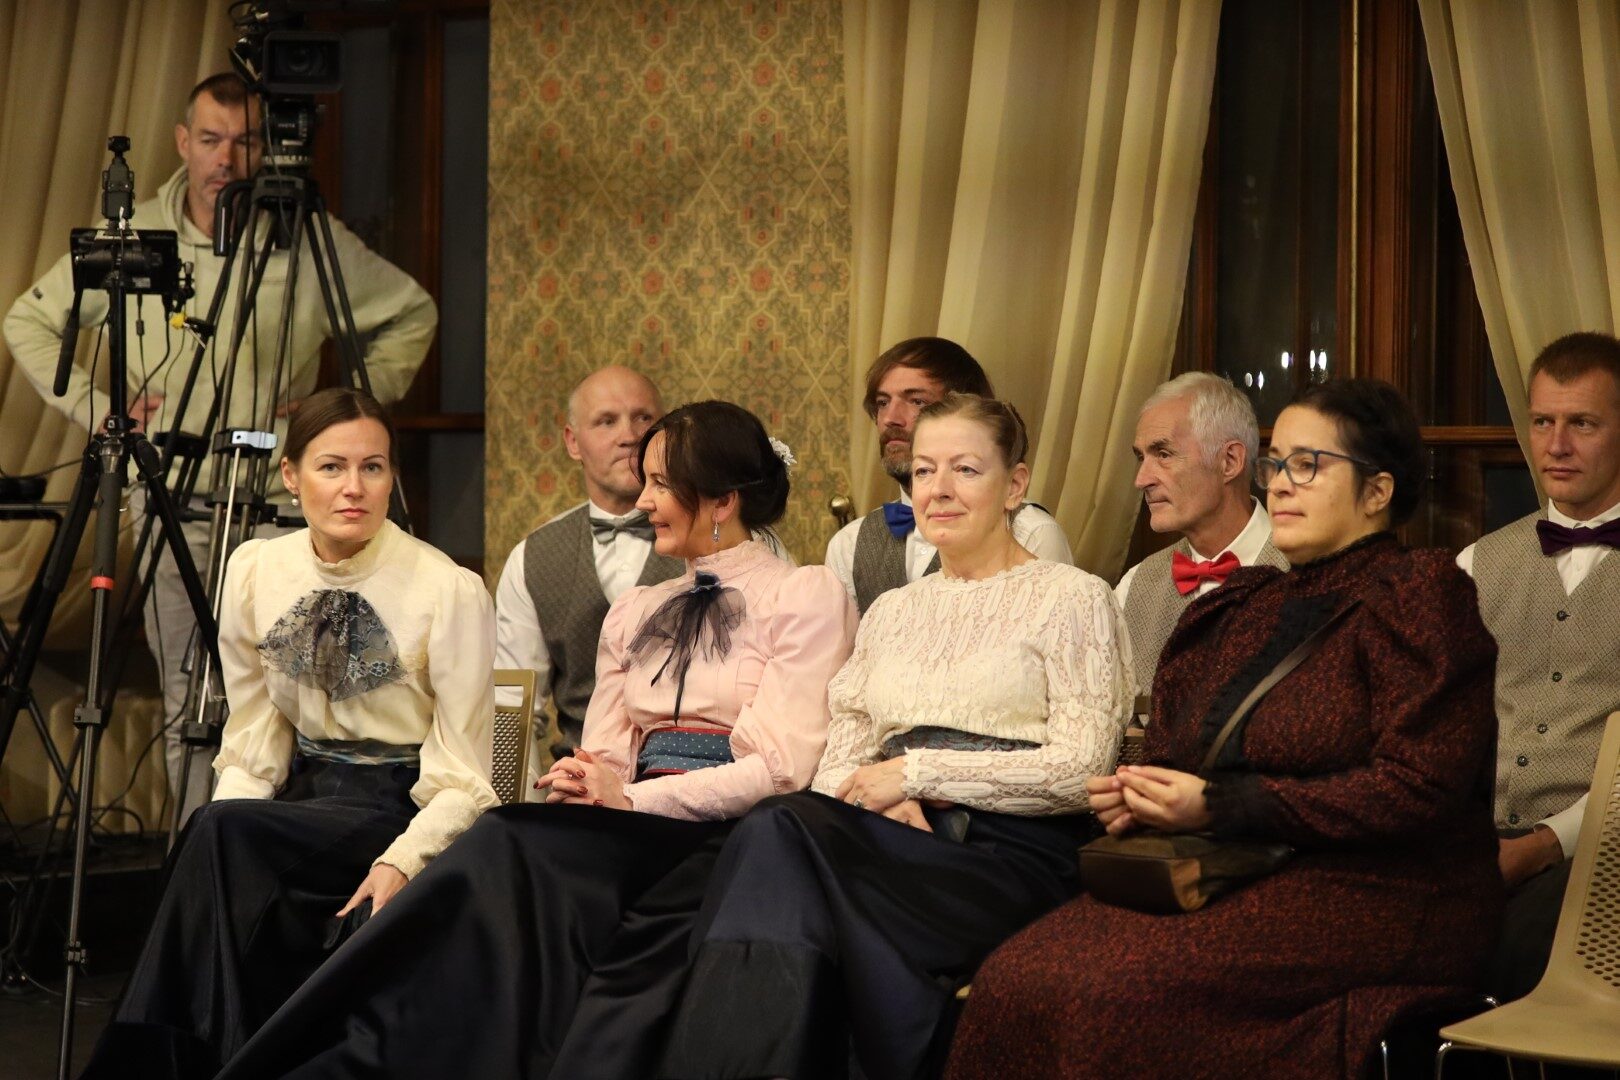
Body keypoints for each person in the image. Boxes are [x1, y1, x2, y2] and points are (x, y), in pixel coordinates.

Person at [216, 400, 857, 1080]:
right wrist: (587, 781)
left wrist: (632, 801)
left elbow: (779, 768)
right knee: (503, 837)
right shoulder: (637, 609)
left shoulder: (804, 596)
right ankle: (345, 1051)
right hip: (630, 821)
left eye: (661, 484)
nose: (642, 500)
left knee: (507, 847)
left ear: (723, 500)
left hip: (730, 835)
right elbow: (605, 752)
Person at [948, 379, 1503, 1079]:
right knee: (1016, 976)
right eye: (1277, 463)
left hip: (1384, 891)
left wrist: (1219, 805)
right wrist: (1146, 798)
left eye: (1309, 464)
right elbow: (1189, 759)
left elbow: (1417, 788)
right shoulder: (1249, 605)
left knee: (1109, 996)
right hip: (1233, 870)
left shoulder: (1417, 595)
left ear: (1377, 491)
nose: (1282, 483)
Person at [654, 393, 1134, 1080]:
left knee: (775, 840)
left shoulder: (1074, 596)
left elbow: (1080, 771)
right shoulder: (891, 612)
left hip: (1008, 855)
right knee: (783, 863)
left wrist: (913, 776)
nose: (938, 489)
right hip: (893, 837)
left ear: (1015, 485)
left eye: (966, 469)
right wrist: (875, 803)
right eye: (924, 470)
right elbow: (840, 760)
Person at [3, 73, 438, 821]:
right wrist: (103, 411)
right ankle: (195, 857)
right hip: (172, 495)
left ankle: (284, 850)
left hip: (281, 511)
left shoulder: (304, 239)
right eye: (210, 140)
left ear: (267, 149)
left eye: (245, 142)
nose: (226, 160)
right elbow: (30, 323)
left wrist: (336, 417)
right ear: (183, 142)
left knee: (301, 695)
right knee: (189, 695)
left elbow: (412, 311)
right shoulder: (136, 235)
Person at [80, 388, 497, 1080]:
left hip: (397, 803)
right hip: (300, 795)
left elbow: (467, 777)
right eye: (332, 467)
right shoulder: (256, 570)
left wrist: (404, 859)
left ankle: (150, 1064)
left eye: (373, 468)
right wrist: (230, 822)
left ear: (391, 477)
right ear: (291, 475)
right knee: (217, 831)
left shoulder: (445, 589)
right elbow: (254, 740)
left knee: (219, 836)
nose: (354, 488)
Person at [1456, 331, 1620, 1003]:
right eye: (1543, 422)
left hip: (1601, 852)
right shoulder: (1475, 565)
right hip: (1472, 842)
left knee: (1514, 955)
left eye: (1583, 423)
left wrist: (1547, 844)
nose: (1556, 446)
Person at [493, 365, 682, 766]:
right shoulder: (534, 558)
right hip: (580, 782)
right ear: (572, 442)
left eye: (643, 418)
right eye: (606, 421)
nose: (629, 436)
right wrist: (515, 797)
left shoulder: (717, 539)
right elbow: (513, 708)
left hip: (696, 780)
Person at [824, 337, 1072, 614]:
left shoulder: (1032, 532)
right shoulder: (850, 543)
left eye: (917, 401)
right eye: (882, 402)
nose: (890, 418)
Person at [1115, 372, 1288, 691]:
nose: (1141, 479)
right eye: (1141, 457)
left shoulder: (1308, 575)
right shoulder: (1134, 587)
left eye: (1163, 454)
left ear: (1230, 461)